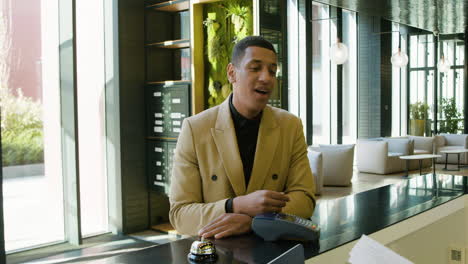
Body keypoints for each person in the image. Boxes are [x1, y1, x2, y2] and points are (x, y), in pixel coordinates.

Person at [169, 36, 316, 239]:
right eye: (255, 68)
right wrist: (235, 205)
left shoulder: (290, 126)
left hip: (272, 248)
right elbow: (180, 214)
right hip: (216, 251)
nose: (266, 78)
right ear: (232, 73)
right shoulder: (196, 129)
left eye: (272, 71)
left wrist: (254, 222)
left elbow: (305, 199)